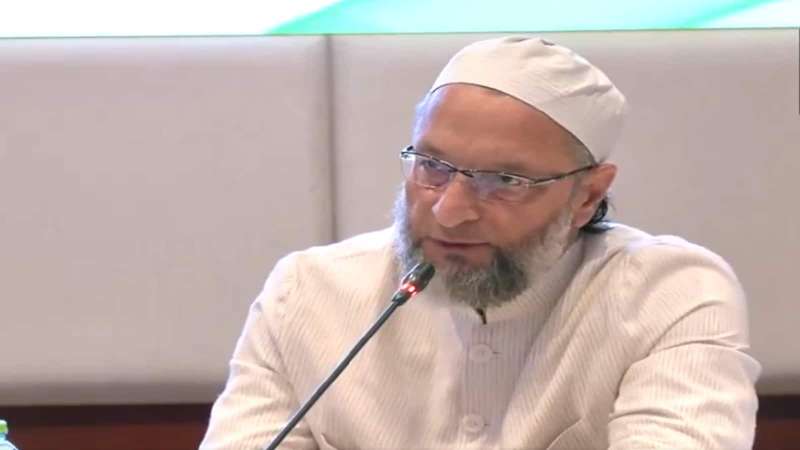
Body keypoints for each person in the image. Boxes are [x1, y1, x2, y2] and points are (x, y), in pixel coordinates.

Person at [200, 36, 760, 449]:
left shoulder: (668, 294)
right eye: (432, 167)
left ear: (588, 195)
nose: (449, 211)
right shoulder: (307, 293)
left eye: (505, 181)